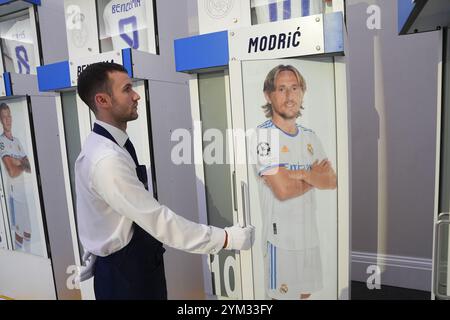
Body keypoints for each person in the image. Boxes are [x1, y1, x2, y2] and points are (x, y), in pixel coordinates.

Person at [75, 62, 254, 300]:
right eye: (127, 89)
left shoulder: (108, 146)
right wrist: (226, 238)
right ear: (102, 100)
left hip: (133, 266)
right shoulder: (106, 159)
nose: (137, 95)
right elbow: (159, 221)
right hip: (127, 279)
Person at [252, 64, 336, 300]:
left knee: (305, 296)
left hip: (309, 239)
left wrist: (300, 175)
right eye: (281, 89)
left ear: (302, 92)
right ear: (269, 95)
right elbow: (283, 189)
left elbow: (331, 181)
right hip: (281, 242)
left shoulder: (310, 136)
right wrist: (312, 175)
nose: (289, 96)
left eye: (294, 88)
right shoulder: (264, 136)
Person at [0, 103, 32, 253]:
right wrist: (20, 163)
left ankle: (30, 258)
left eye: (9, 116)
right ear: (0, 120)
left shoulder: (17, 141)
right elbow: (12, 171)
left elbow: (29, 166)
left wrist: (18, 161)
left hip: (24, 194)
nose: (8, 120)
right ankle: (21, 260)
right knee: (19, 234)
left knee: (28, 232)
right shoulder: (2, 142)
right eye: (4, 117)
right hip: (14, 196)